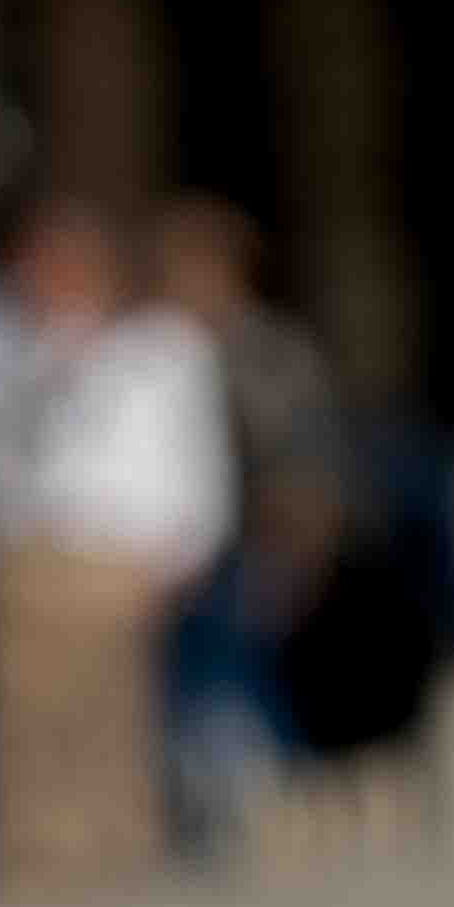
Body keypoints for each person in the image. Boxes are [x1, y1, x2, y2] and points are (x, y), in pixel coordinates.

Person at [0, 199, 230, 896]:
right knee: (23, 710)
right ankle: (32, 849)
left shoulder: (161, 351)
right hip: (26, 549)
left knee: (110, 708)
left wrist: (187, 548)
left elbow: (193, 457)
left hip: (115, 554)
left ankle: (111, 845)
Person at [145, 195, 339, 860]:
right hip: (162, 546)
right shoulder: (146, 348)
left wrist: (297, 546)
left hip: (249, 543)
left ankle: (255, 810)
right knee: (173, 681)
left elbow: (304, 458)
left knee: (240, 677)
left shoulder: (273, 351)